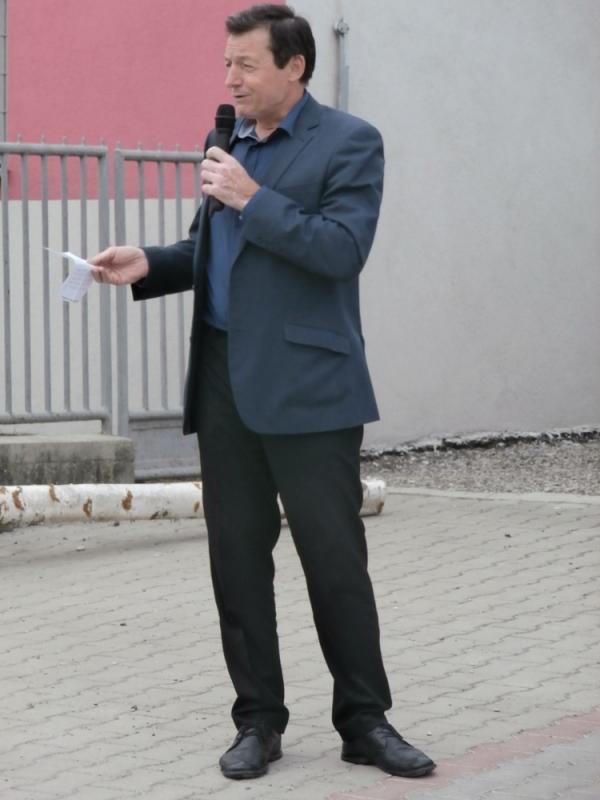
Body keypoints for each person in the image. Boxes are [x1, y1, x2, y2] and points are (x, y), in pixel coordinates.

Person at [91, 3, 435, 782]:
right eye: (227, 65)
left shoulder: (349, 142)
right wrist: (151, 263)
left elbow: (341, 249)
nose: (231, 80)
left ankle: (365, 721)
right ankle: (258, 721)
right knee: (237, 564)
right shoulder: (229, 143)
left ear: (294, 66)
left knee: (334, 561)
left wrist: (253, 196)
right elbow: (213, 248)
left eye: (246, 64)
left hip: (311, 387)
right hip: (224, 382)